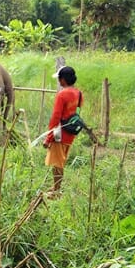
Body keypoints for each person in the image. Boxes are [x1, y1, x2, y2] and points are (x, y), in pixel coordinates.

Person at [43, 66, 83, 197]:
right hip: (71, 132)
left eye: (59, 78)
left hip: (60, 133)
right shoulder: (78, 93)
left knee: (57, 163)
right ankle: (56, 186)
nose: (59, 81)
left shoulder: (62, 94)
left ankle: (56, 191)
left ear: (63, 79)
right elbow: (77, 109)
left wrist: (48, 137)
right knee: (61, 161)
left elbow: (56, 116)